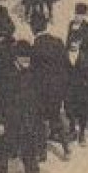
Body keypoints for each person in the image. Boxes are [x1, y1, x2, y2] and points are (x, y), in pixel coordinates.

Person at [0, 41, 45, 173]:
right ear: (15, 58)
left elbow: (36, 99)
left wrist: (38, 120)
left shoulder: (31, 74)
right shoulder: (4, 75)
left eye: (29, 58)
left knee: (30, 156)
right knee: (2, 155)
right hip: (8, 122)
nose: (27, 61)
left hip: (27, 123)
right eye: (23, 58)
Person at [29, 17, 72, 158]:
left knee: (40, 121)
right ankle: (66, 149)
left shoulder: (35, 46)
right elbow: (67, 64)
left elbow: (33, 72)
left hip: (41, 90)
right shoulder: (58, 41)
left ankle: (42, 153)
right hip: (57, 89)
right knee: (56, 118)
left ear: (32, 29)